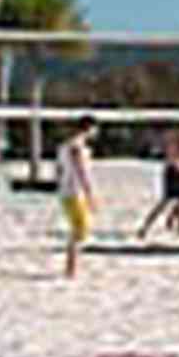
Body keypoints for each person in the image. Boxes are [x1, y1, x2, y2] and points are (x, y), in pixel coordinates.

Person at [57, 117, 99, 279]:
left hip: (66, 190)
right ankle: (71, 268)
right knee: (81, 229)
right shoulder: (77, 146)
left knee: (78, 229)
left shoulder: (65, 145)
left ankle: (71, 267)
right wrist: (90, 193)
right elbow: (82, 171)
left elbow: (59, 169)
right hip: (74, 191)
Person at [137, 123, 179, 237]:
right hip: (176, 169)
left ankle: (178, 229)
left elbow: (169, 153)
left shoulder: (172, 135)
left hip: (172, 168)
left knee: (177, 201)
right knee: (176, 200)